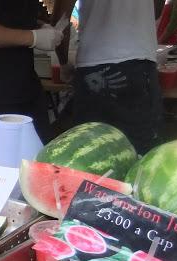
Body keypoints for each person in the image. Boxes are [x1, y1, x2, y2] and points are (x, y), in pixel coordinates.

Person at [53, 0, 166, 154]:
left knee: (90, 148)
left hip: (95, 64)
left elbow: (61, 20)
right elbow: (157, 10)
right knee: (140, 148)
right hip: (140, 59)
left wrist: (64, 64)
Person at [0, 0, 63, 146]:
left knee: (40, 154)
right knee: (1, 160)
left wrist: (39, 26)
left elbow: (11, 17)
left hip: (26, 86)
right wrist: (33, 37)